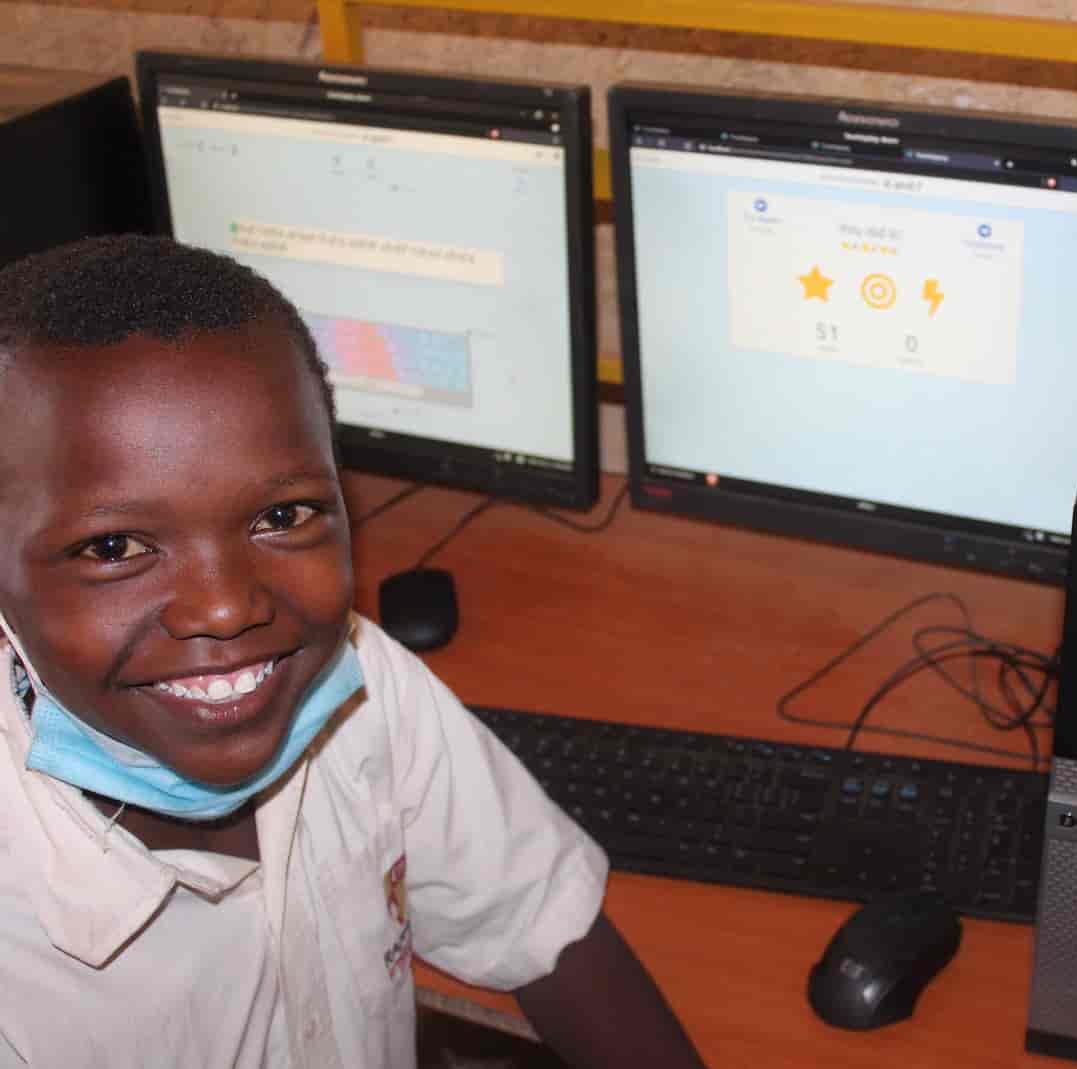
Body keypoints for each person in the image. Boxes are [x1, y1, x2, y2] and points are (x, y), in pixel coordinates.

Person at [0, 235, 708, 1068]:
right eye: (114, 546)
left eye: (284, 515)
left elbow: (547, 926)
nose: (228, 606)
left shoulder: (360, 686)